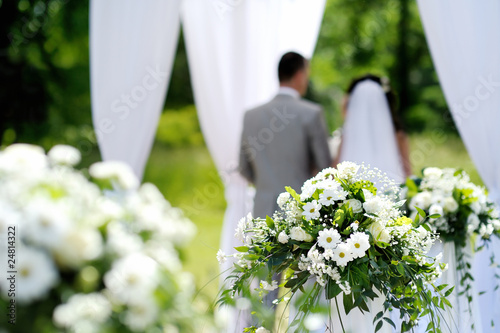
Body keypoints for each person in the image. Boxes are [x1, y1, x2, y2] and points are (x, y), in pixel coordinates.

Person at [239, 51, 332, 219]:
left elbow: (243, 166)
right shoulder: (311, 113)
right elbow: (325, 167)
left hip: (263, 210)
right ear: (299, 75)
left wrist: (265, 185)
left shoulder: (251, 116)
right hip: (301, 209)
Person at [336, 74, 411, 183]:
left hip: (355, 194)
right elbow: (407, 170)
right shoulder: (398, 134)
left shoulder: (348, 135)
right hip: (390, 189)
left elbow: (336, 168)